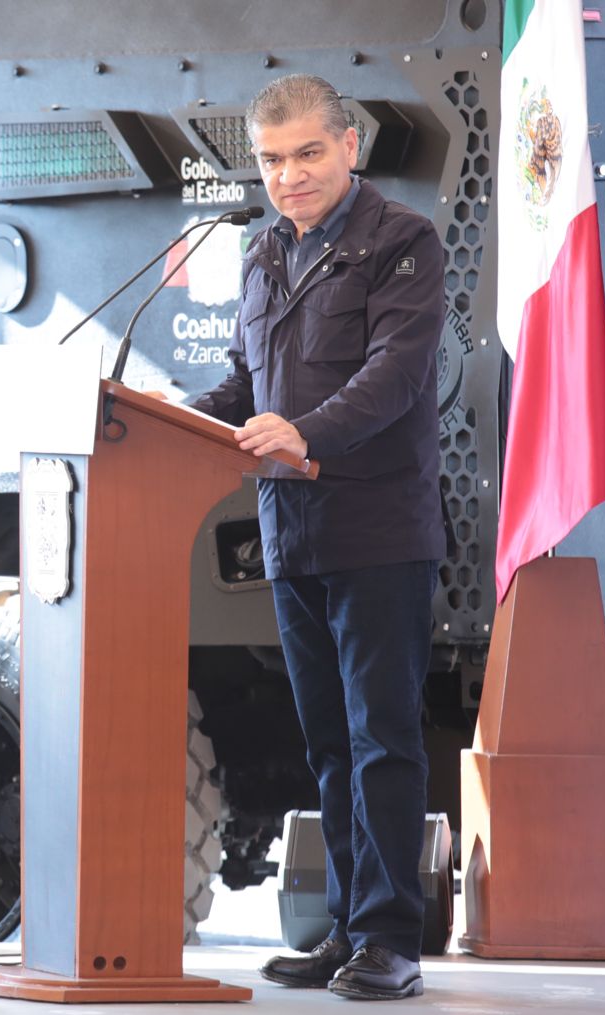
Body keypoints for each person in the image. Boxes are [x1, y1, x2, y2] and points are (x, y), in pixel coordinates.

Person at [185, 75, 445, 1000]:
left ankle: (392, 940)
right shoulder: (263, 255)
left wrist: (306, 432)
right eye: (269, 160)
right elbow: (243, 384)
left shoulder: (402, 243)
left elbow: (396, 377)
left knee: (383, 738)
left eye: (305, 154)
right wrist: (160, 420)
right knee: (329, 743)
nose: (287, 176)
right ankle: (344, 929)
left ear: (349, 148)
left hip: (375, 527)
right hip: (289, 533)